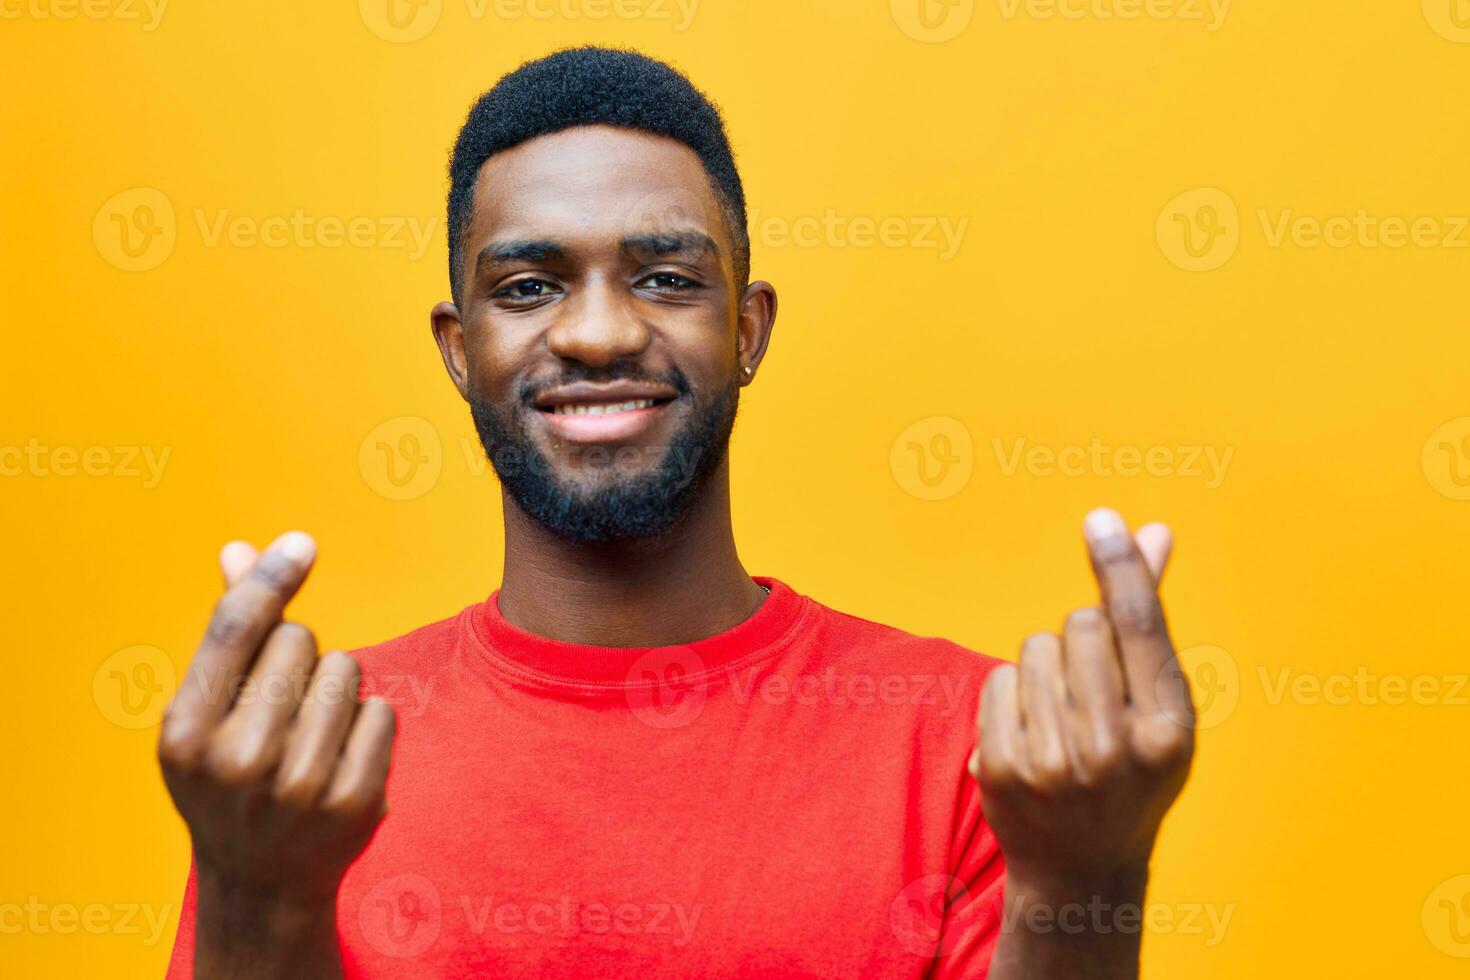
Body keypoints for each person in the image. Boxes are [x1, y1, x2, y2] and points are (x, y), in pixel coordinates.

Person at [158, 46, 1194, 978]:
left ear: (747, 329)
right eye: (527, 286)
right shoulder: (300, 768)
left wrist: (1081, 885)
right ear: (457, 347)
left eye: (663, 278)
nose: (600, 332)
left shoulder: (969, 743)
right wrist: (257, 900)